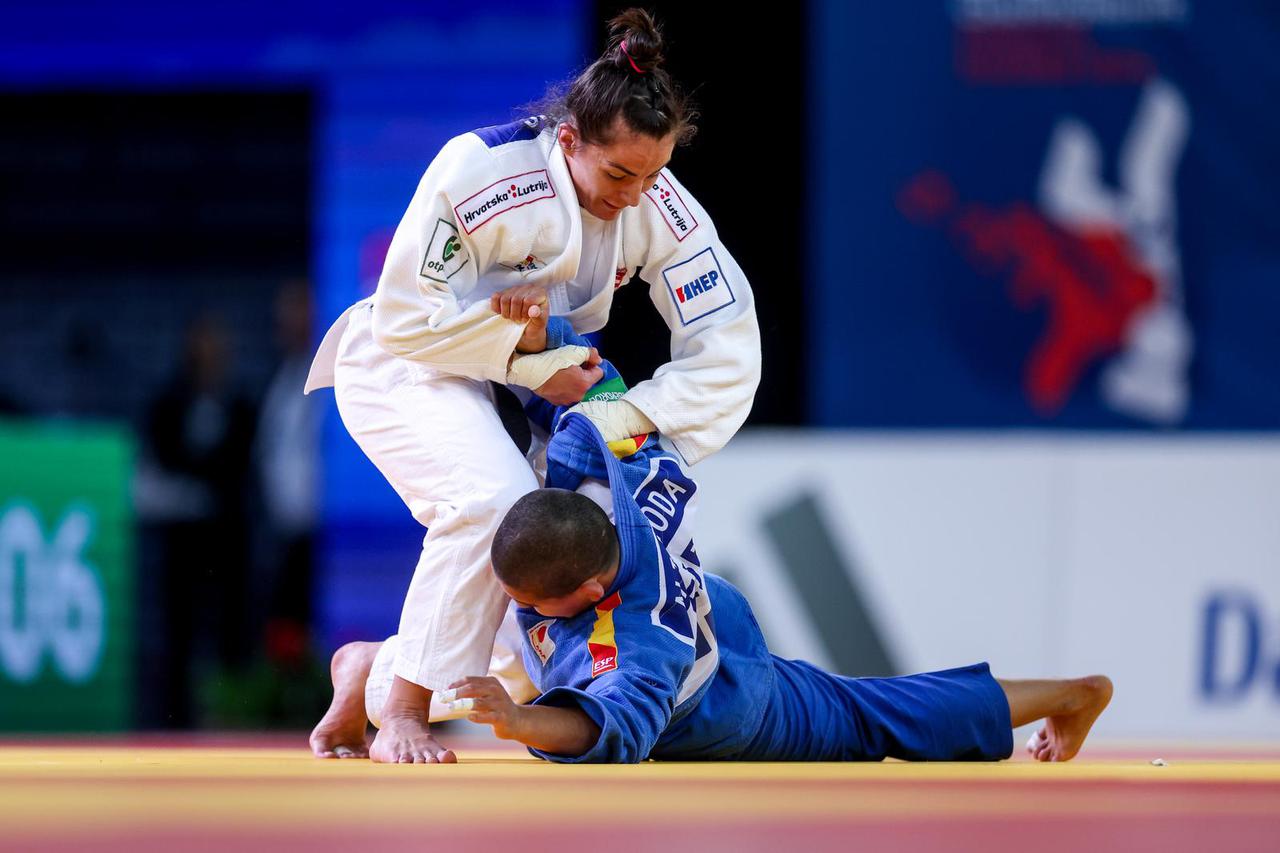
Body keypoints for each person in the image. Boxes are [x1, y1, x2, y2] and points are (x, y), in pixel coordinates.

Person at [306, 9, 761, 763]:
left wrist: (621, 417)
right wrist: (522, 353)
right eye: (619, 173)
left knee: (547, 599)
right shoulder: (482, 172)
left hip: (525, 395)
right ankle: (405, 713)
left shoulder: (654, 200)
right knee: (493, 504)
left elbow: (729, 343)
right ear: (571, 140)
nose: (634, 195)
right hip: (405, 364)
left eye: (653, 174)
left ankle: (372, 672)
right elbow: (404, 317)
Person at [318, 343, 1113, 763]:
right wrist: (541, 339)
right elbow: (599, 387)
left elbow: (609, 734)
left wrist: (518, 718)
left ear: (591, 589)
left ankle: (1069, 692)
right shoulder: (610, 459)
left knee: (879, 719)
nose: (520, 602)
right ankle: (374, 673)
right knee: (515, 659)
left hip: (723, 708)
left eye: (535, 599)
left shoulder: (635, 644)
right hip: (714, 621)